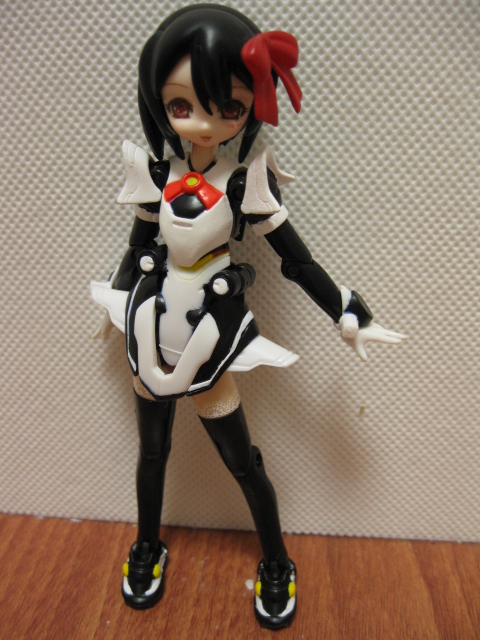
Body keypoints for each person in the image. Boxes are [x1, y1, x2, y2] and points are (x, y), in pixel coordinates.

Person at [91, 4, 405, 630]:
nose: (204, 122)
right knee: (152, 452)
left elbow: (296, 259)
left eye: (227, 107)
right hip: (153, 325)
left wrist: (344, 310)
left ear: (248, 109)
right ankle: (147, 545)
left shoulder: (244, 182)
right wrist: (116, 300)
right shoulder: (158, 173)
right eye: (182, 104)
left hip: (209, 333)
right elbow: (137, 246)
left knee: (242, 460)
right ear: (158, 100)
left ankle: (277, 560)